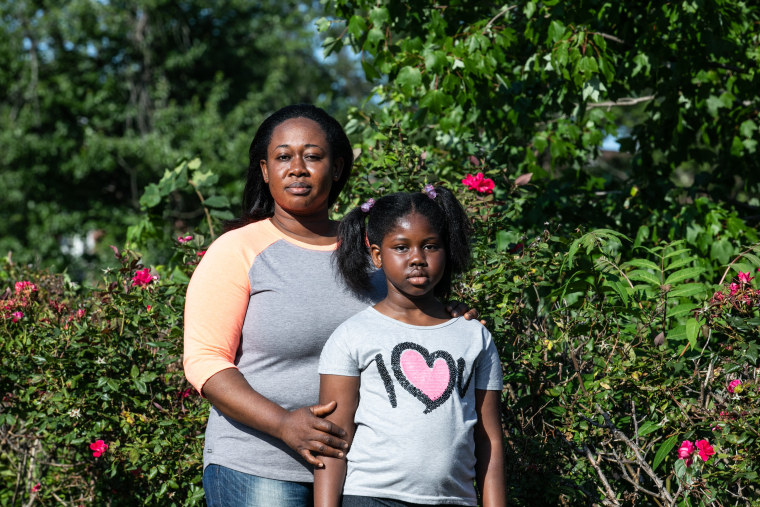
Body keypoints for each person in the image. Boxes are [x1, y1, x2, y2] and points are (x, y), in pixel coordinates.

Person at [183, 104, 478, 506]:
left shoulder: (373, 250)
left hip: (364, 476)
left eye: (313, 156)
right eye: (283, 156)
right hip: (261, 465)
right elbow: (205, 362)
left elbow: (408, 318)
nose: (298, 168)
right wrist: (284, 423)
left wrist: (448, 317)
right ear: (266, 170)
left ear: (337, 168)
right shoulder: (238, 250)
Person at [314, 187, 506, 507]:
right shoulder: (352, 336)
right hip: (371, 498)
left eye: (430, 246)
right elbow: (334, 441)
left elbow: (490, 441)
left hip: (455, 500)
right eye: (401, 247)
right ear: (377, 255)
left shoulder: (474, 336)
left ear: (445, 249)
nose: (417, 258)